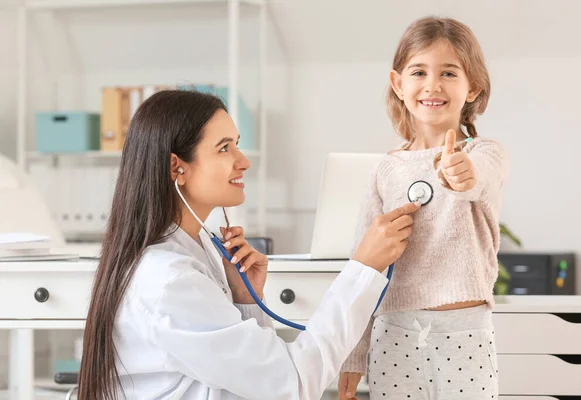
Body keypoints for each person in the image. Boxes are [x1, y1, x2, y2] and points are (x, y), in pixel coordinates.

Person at [76, 89, 421, 400]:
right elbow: (292, 384)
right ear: (175, 167)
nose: (243, 161)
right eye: (224, 148)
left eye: (236, 144)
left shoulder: (193, 250)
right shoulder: (169, 279)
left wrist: (245, 300)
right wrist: (363, 270)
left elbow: (250, 380)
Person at [338, 16, 509, 399]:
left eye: (449, 73)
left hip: (465, 330)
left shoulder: (485, 155)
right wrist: (352, 356)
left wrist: (460, 173)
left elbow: (478, 176)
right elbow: (364, 267)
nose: (432, 85)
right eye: (419, 72)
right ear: (399, 84)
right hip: (394, 332)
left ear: (473, 87)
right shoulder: (385, 170)